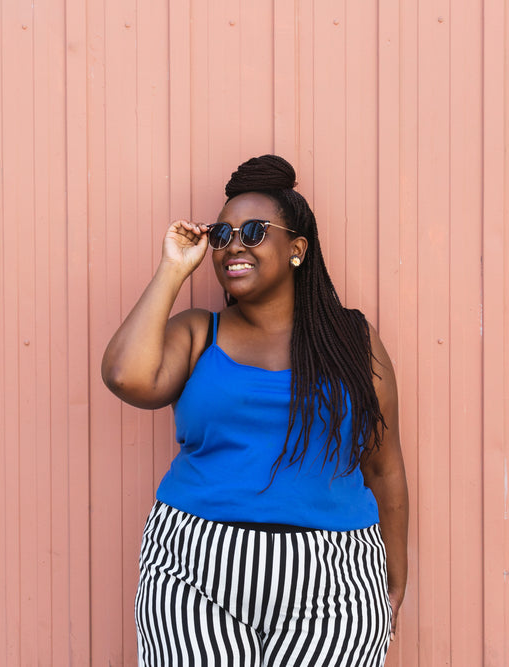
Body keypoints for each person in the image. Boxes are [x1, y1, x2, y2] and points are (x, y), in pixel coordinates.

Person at [101, 155, 408, 666]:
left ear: (296, 249)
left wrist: (394, 579)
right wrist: (174, 269)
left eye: (253, 231)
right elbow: (125, 376)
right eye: (222, 235)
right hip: (194, 570)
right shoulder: (200, 333)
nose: (233, 245)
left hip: (335, 579)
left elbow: (383, 464)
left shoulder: (352, 341)